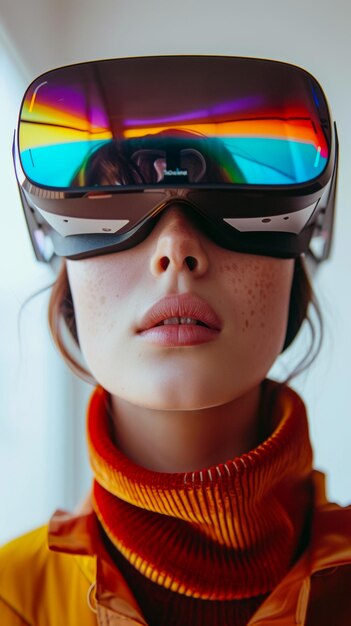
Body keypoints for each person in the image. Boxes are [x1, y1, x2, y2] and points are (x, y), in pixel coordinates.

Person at [1, 55, 350, 626]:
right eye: (113, 208)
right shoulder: (11, 601)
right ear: (67, 283)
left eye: (230, 205)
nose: (177, 248)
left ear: (295, 266)